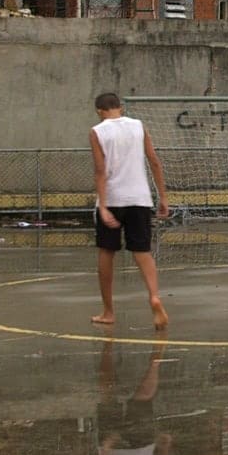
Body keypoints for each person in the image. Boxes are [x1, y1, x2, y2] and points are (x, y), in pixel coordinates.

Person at [90, 92, 169, 329]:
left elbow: (100, 171)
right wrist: (163, 196)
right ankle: (154, 296)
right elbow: (154, 160)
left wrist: (103, 206)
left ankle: (108, 312)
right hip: (140, 199)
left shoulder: (97, 131)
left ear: (99, 111)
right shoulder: (138, 126)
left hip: (113, 199)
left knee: (107, 252)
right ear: (120, 108)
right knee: (142, 251)